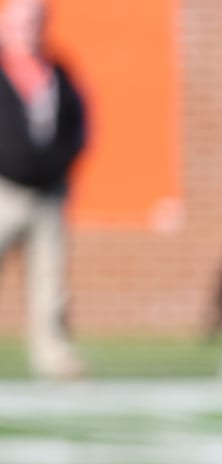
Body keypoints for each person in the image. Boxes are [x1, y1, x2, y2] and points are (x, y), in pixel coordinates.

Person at [0, 0, 84, 380]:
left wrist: (61, 165)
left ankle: (52, 354)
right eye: (21, 21)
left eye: (35, 21)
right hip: (5, 190)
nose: (28, 29)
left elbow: (79, 126)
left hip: (48, 193)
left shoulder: (58, 72)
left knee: (50, 281)